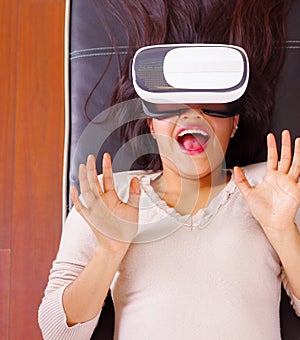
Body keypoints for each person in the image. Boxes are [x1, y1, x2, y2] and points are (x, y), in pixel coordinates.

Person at [38, 0, 300, 339]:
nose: (191, 114)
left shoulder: (274, 187)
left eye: (212, 104)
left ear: (234, 123)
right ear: (150, 123)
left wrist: (282, 231)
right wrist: (109, 251)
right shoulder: (109, 196)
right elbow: (57, 331)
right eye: (172, 104)